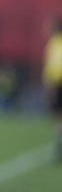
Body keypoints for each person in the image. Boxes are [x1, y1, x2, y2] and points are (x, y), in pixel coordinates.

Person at [42, 17, 62, 161]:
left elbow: (54, 66)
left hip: (57, 83)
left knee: (57, 117)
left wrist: (50, 84)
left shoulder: (55, 43)